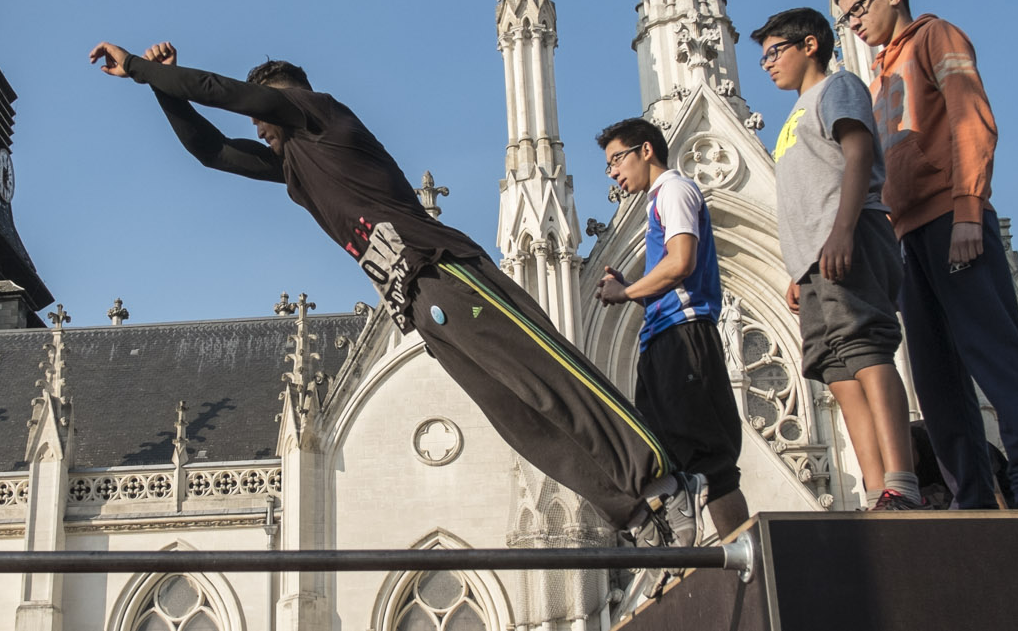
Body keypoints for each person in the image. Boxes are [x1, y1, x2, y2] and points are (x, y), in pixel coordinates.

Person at [87, 40, 706, 546]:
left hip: (442, 267)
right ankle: (631, 515)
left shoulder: (317, 114)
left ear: (285, 99)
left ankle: (662, 482)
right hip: (414, 299)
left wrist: (142, 69)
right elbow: (211, 151)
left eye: (264, 116)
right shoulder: (296, 165)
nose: (260, 128)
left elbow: (226, 93)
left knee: (544, 377)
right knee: (516, 415)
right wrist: (159, 90)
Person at [831, 0, 1018, 509]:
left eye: (860, 8)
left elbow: (970, 120)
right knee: (937, 384)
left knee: (995, 358)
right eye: (846, 18)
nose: (855, 23)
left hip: (950, 221)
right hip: (908, 237)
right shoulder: (879, 77)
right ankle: (971, 498)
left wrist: (966, 210)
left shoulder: (936, 37)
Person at [752, 6, 922, 510]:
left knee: (867, 352)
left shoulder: (838, 88)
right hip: (813, 262)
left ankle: (902, 482)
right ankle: (876, 492)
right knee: (837, 370)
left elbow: (857, 156)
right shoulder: (794, 116)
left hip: (851, 237)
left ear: (809, 46)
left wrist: (844, 231)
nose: (768, 65)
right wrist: (797, 268)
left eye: (774, 52)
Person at [590, 117, 749, 537]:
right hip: (662, 337)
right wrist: (629, 288)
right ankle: (676, 542)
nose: (613, 172)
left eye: (617, 159)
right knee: (659, 452)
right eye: (608, 166)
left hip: (683, 336)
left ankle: (744, 554)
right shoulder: (658, 199)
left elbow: (681, 263)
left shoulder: (674, 190)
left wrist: (625, 295)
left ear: (646, 150)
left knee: (711, 460)